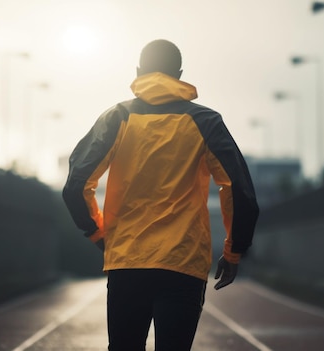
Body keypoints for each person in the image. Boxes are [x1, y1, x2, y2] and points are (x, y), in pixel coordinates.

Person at [62, 39, 259, 351]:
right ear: (179, 74)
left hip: (128, 262)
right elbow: (237, 189)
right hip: (183, 263)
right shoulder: (206, 122)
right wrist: (234, 251)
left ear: (139, 71)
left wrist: (98, 233)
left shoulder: (117, 118)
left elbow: (77, 183)